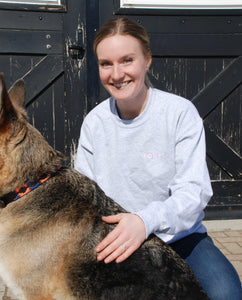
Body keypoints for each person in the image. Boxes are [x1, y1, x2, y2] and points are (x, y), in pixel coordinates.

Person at [75, 17, 242, 300]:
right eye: (106, 63)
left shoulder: (178, 113)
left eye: (127, 60)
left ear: (147, 60)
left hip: (180, 237)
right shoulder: (95, 123)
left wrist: (144, 220)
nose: (117, 74)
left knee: (226, 294)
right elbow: (84, 192)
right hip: (117, 240)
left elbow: (193, 192)